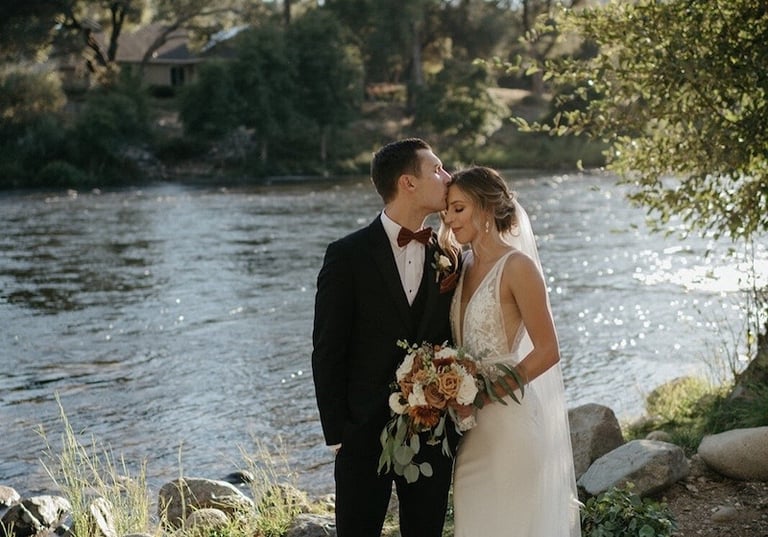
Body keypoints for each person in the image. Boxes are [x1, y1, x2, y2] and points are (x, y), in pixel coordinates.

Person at [311, 138, 460, 537]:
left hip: (431, 433)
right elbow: (327, 349)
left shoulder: (450, 255)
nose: (448, 178)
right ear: (408, 183)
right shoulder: (347, 255)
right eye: (438, 169)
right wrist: (338, 435)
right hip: (361, 434)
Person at [440, 166, 581, 537]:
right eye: (447, 212)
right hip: (469, 433)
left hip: (509, 424)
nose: (450, 220)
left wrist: (483, 395)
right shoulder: (462, 264)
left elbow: (548, 351)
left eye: (459, 208)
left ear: (486, 208)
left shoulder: (518, 267)